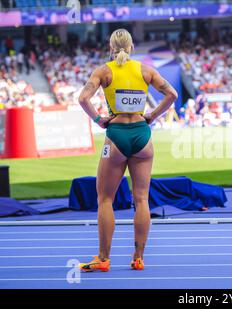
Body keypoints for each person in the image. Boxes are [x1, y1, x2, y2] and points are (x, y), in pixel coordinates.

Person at [77, 29, 178, 272]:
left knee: (105, 199)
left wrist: (99, 120)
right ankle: (138, 257)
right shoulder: (145, 70)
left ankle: (103, 258)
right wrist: (152, 115)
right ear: (131, 46)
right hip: (143, 136)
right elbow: (172, 94)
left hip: (116, 137)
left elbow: (83, 98)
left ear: (111, 47)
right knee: (142, 199)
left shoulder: (103, 71)